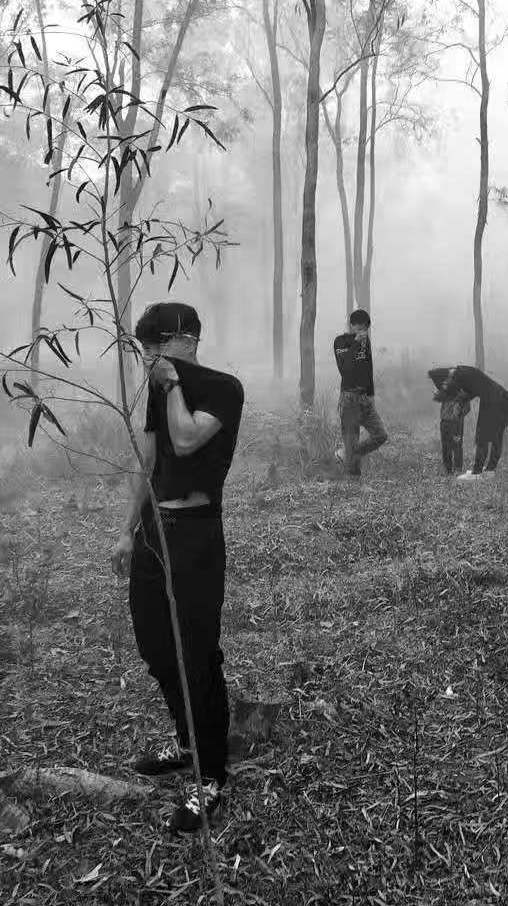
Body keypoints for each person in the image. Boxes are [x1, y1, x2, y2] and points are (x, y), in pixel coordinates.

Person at [110, 301, 244, 832]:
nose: (149, 358)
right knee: (155, 646)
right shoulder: (159, 390)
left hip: (196, 536)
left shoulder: (222, 387)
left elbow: (186, 439)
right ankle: (186, 743)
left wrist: (169, 385)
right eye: (144, 350)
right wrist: (126, 529)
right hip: (152, 532)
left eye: (156, 346)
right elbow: (149, 461)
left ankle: (211, 774)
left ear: (186, 339)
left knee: (196, 652)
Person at [333, 309, 388, 477]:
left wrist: (370, 393)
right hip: (349, 400)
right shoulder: (340, 342)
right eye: (360, 327)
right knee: (352, 445)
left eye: (365, 328)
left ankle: (348, 453)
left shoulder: (366, 341)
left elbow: (367, 367)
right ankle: (354, 486)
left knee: (380, 435)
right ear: (351, 325)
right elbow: (345, 369)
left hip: (365, 399)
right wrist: (356, 343)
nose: (362, 331)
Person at [442, 365, 508, 481]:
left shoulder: (461, 374)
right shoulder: (467, 374)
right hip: (500, 399)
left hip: (495, 401)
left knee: (483, 435)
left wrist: (459, 402)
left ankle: (478, 472)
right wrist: (460, 401)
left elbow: (466, 393)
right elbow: (470, 392)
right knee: (494, 436)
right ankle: (489, 470)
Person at [428, 367, 471, 475]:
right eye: (450, 376)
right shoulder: (445, 389)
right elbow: (432, 373)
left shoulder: (463, 391)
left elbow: (467, 408)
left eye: (452, 376)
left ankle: (457, 469)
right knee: (445, 447)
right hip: (444, 423)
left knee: (456, 446)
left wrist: (459, 415)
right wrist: (450, 369)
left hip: (456, 424)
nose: (450, 378)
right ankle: (448, 470)